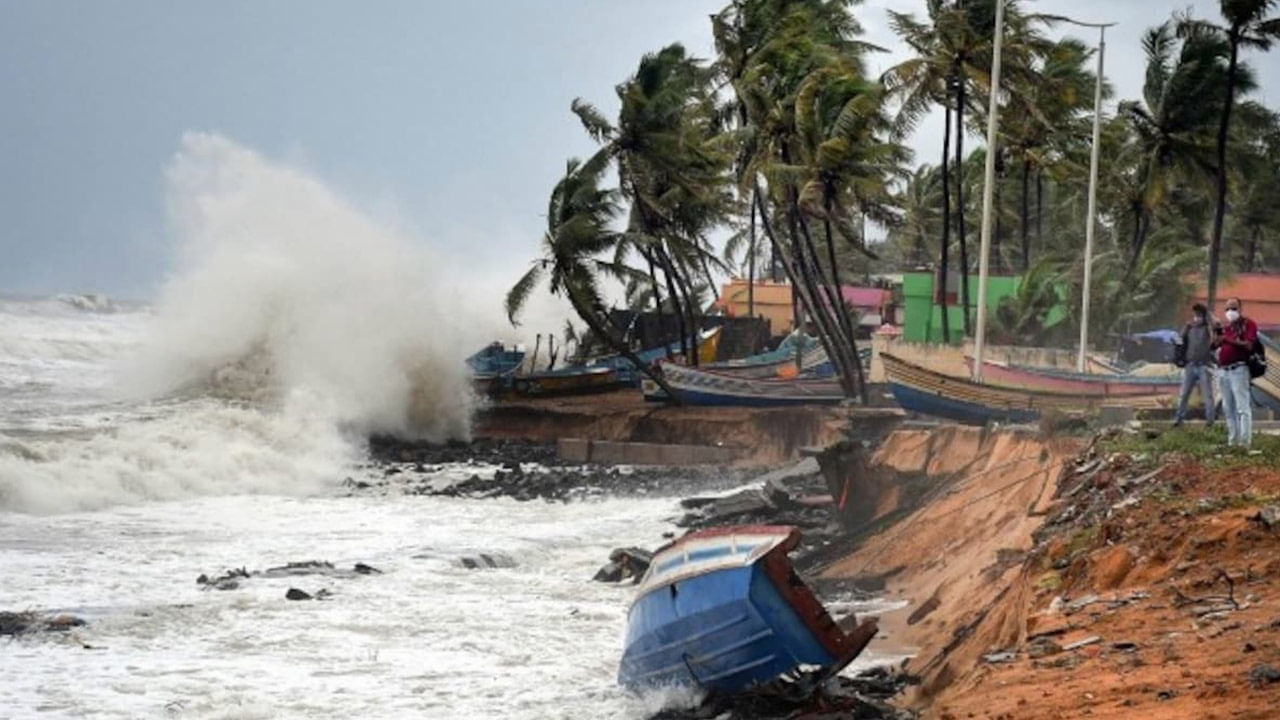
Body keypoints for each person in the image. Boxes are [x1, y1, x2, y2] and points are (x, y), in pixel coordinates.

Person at [1214, 297, 1258, 448]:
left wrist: (1227, 339)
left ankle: (1244, 443)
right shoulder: (1226, 328)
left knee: (1242, 408)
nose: (1230, 312)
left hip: (1239, 369)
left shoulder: (1248, 325)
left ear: (1240, 309)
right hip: (1224, 370)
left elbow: (1248, 346)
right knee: (1228, 408)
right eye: (1227, 309)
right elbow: (1213, 346)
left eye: (1233, 308)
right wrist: (1216, 335)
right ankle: (1232, 442)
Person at [1173, 303, 1216, 427]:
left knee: (1208, 395)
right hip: (1190, 365)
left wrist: (1208, 314)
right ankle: (1178, 419)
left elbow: (1216, 327)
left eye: (1199, 315)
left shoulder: (1208, 328)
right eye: (1195, 315)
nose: (1197, 317)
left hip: (1204, 365)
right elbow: (1180, 342)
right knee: (1184, 394)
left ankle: (1210, 421)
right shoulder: (1189, 327)